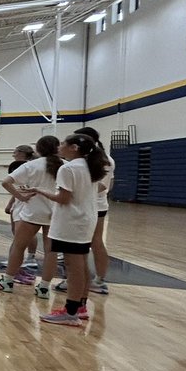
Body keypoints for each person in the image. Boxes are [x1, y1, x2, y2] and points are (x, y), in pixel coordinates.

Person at [31, 133, 110, 326]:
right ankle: (80, 307)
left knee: (73, 267)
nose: (60, 146)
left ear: (74, 148)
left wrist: (40, 190)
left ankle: (71, 312)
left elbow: (63, 198)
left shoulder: (68, 168)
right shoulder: (90, 166)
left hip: (71, 222)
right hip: (86, 219)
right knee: (81, 264)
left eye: (64, 144)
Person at [0, 136, 62, 297]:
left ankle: (7, 281)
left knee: (18, 246)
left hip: (33, 211)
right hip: (57, 211)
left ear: (39, 149)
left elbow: (6, 182)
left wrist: (20, 197)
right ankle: (44, 288)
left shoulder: (31, 165)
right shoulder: (64, 166)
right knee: (51, 252)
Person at [56, 126, 114, 295]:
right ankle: (77, 284)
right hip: (85, 206)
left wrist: (78, 194)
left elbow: (104, 186)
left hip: (91, 207)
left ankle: (98, 281)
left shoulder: (103, 160)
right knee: (79, 248)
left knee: (92, 243)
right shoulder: (85, 161)